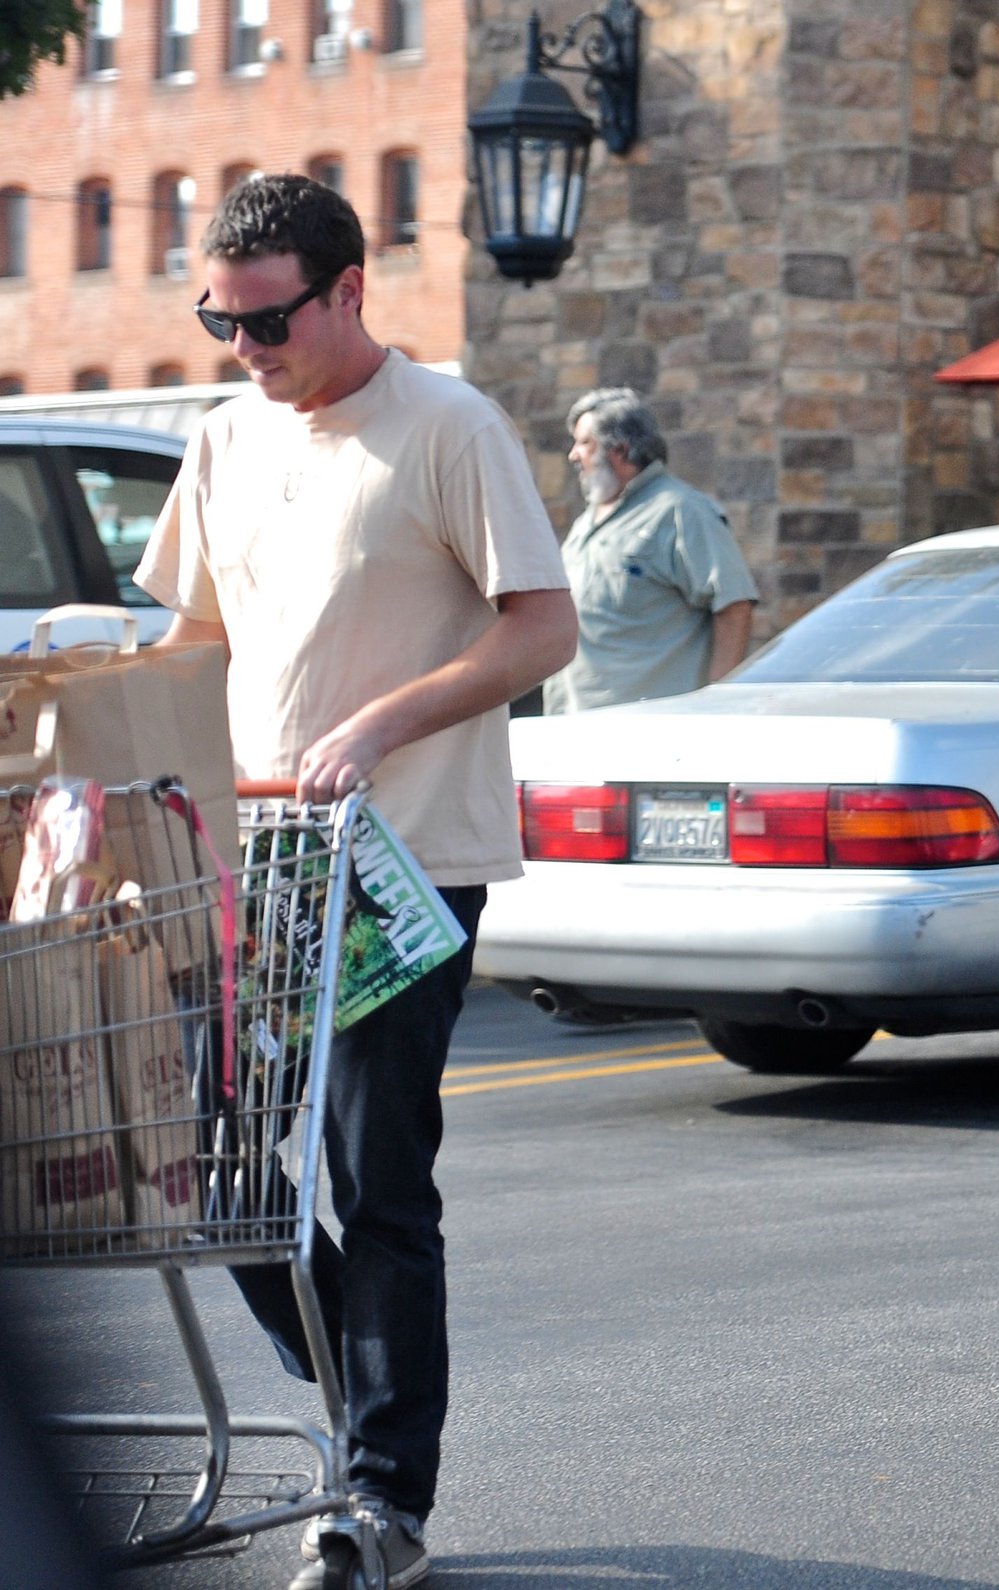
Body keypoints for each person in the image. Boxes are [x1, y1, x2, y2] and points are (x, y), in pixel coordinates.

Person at [136, 174, 577, 1587]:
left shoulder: (448, 426)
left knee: (371, 1175)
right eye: (220, 318)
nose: (244, 348)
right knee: (216, 1176)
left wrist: (388, 720)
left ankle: (384, 1492)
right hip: (253, 855)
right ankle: (359, 1408)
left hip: (406, 862)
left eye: (267, 320)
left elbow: (545, 628)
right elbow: (197, 642)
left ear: (348, 289)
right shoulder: (222, 438)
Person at [542, 387, 759, 713]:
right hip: (575, 726)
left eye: (585, 443)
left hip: (650, 735)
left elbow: (733, 604)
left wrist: (718, 702)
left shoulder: (682, 512)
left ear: (620, 449)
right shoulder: (588, 520)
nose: (573, 455)